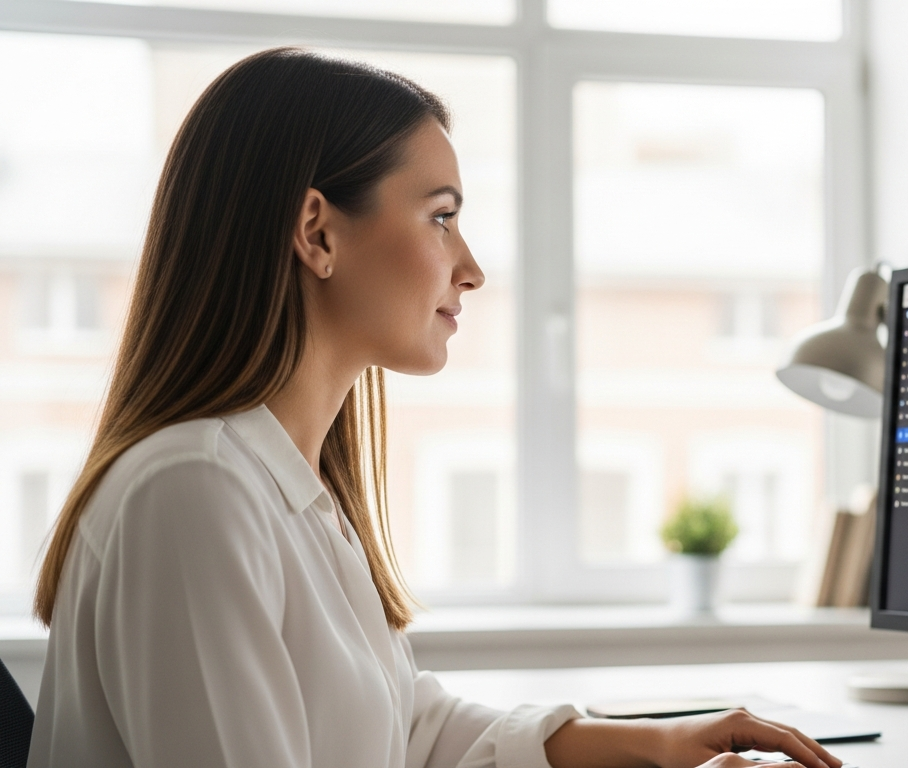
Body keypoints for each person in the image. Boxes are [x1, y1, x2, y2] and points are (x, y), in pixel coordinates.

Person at [25, 48, 842, 768]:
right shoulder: (193, 492)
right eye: (441, 218)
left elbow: (405, 732)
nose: (472, 267)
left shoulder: (289, 490)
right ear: (317, 233)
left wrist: (657, 746)